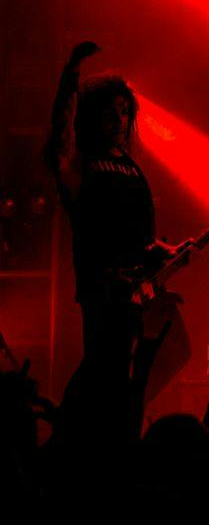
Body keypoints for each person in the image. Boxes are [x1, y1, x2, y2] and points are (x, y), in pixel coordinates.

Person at [44, 41, 187, 394]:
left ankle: (122, 418)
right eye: (111, 111)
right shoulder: (81, 164)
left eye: (124, 111)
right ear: (93, 115)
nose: (119, 120)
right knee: (104, 369)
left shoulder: (132, 167)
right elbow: (59, 133)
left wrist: (165, 251)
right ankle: (87, 429)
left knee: (172, 351)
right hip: (103, 289)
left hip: (141, 288)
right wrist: (71, 73)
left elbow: (140, 238)